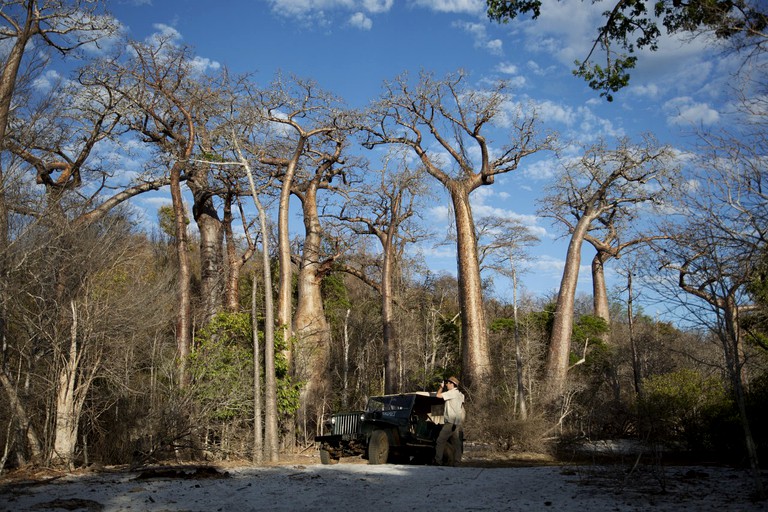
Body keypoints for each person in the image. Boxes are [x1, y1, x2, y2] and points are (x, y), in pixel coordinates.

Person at [434, 375, 464, 466]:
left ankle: (438, 461)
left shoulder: (451, 393)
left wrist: (441, 387)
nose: (446, 384)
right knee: (456, 444)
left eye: (448, 383)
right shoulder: (460, 394)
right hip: (457, 423)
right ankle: (457, 462)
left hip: (450, 423)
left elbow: (438, 395)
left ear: (452, 384)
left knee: (440, 441)